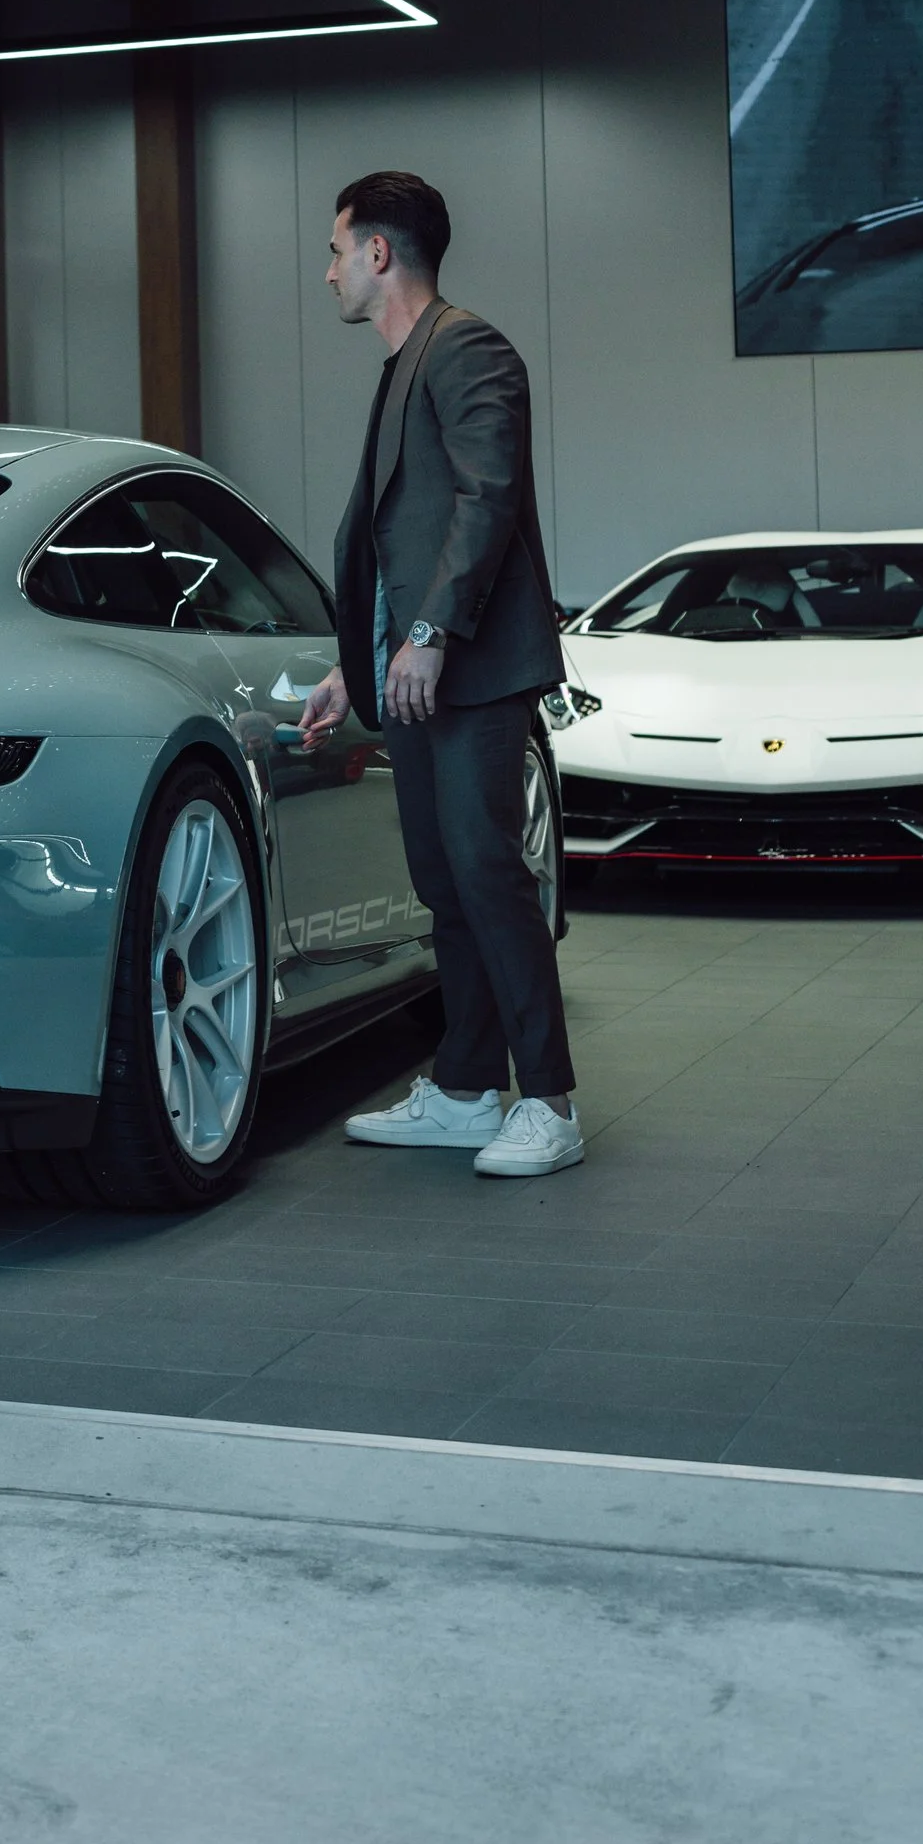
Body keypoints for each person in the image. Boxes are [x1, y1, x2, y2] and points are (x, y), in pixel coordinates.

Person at [298, 170, 581, 1178]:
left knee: (489, 874)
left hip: (466, 667)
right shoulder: (399, 365)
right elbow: (398, 539)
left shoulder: (466, 348)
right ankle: (464, 1088)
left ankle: (547, 1100)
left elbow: (486, 500)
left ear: (378, 253)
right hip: (417, 669)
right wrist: (358, 664)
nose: (326, 270)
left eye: (335, 250)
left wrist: (427, 631)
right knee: (443, 883)